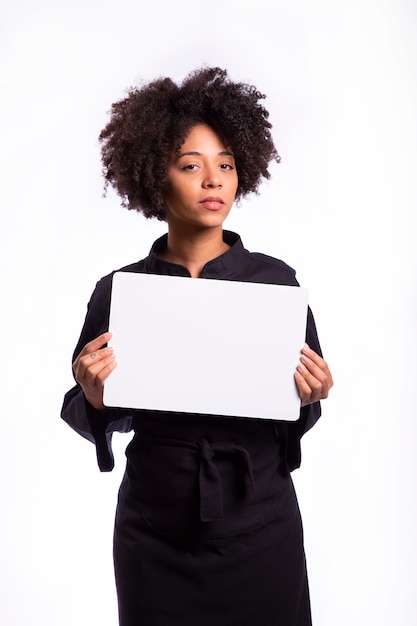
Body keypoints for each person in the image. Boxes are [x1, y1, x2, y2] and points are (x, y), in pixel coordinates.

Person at [61, 66, 333, 626]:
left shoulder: (276, 282)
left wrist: (310, 395)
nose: (214, 180)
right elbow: (89, 411)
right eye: (192, 166)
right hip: (154, 529)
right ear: (154, 178)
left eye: (226, 166)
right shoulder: (119, 290)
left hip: (261, 523)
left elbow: (292, 420)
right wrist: (93, 395)